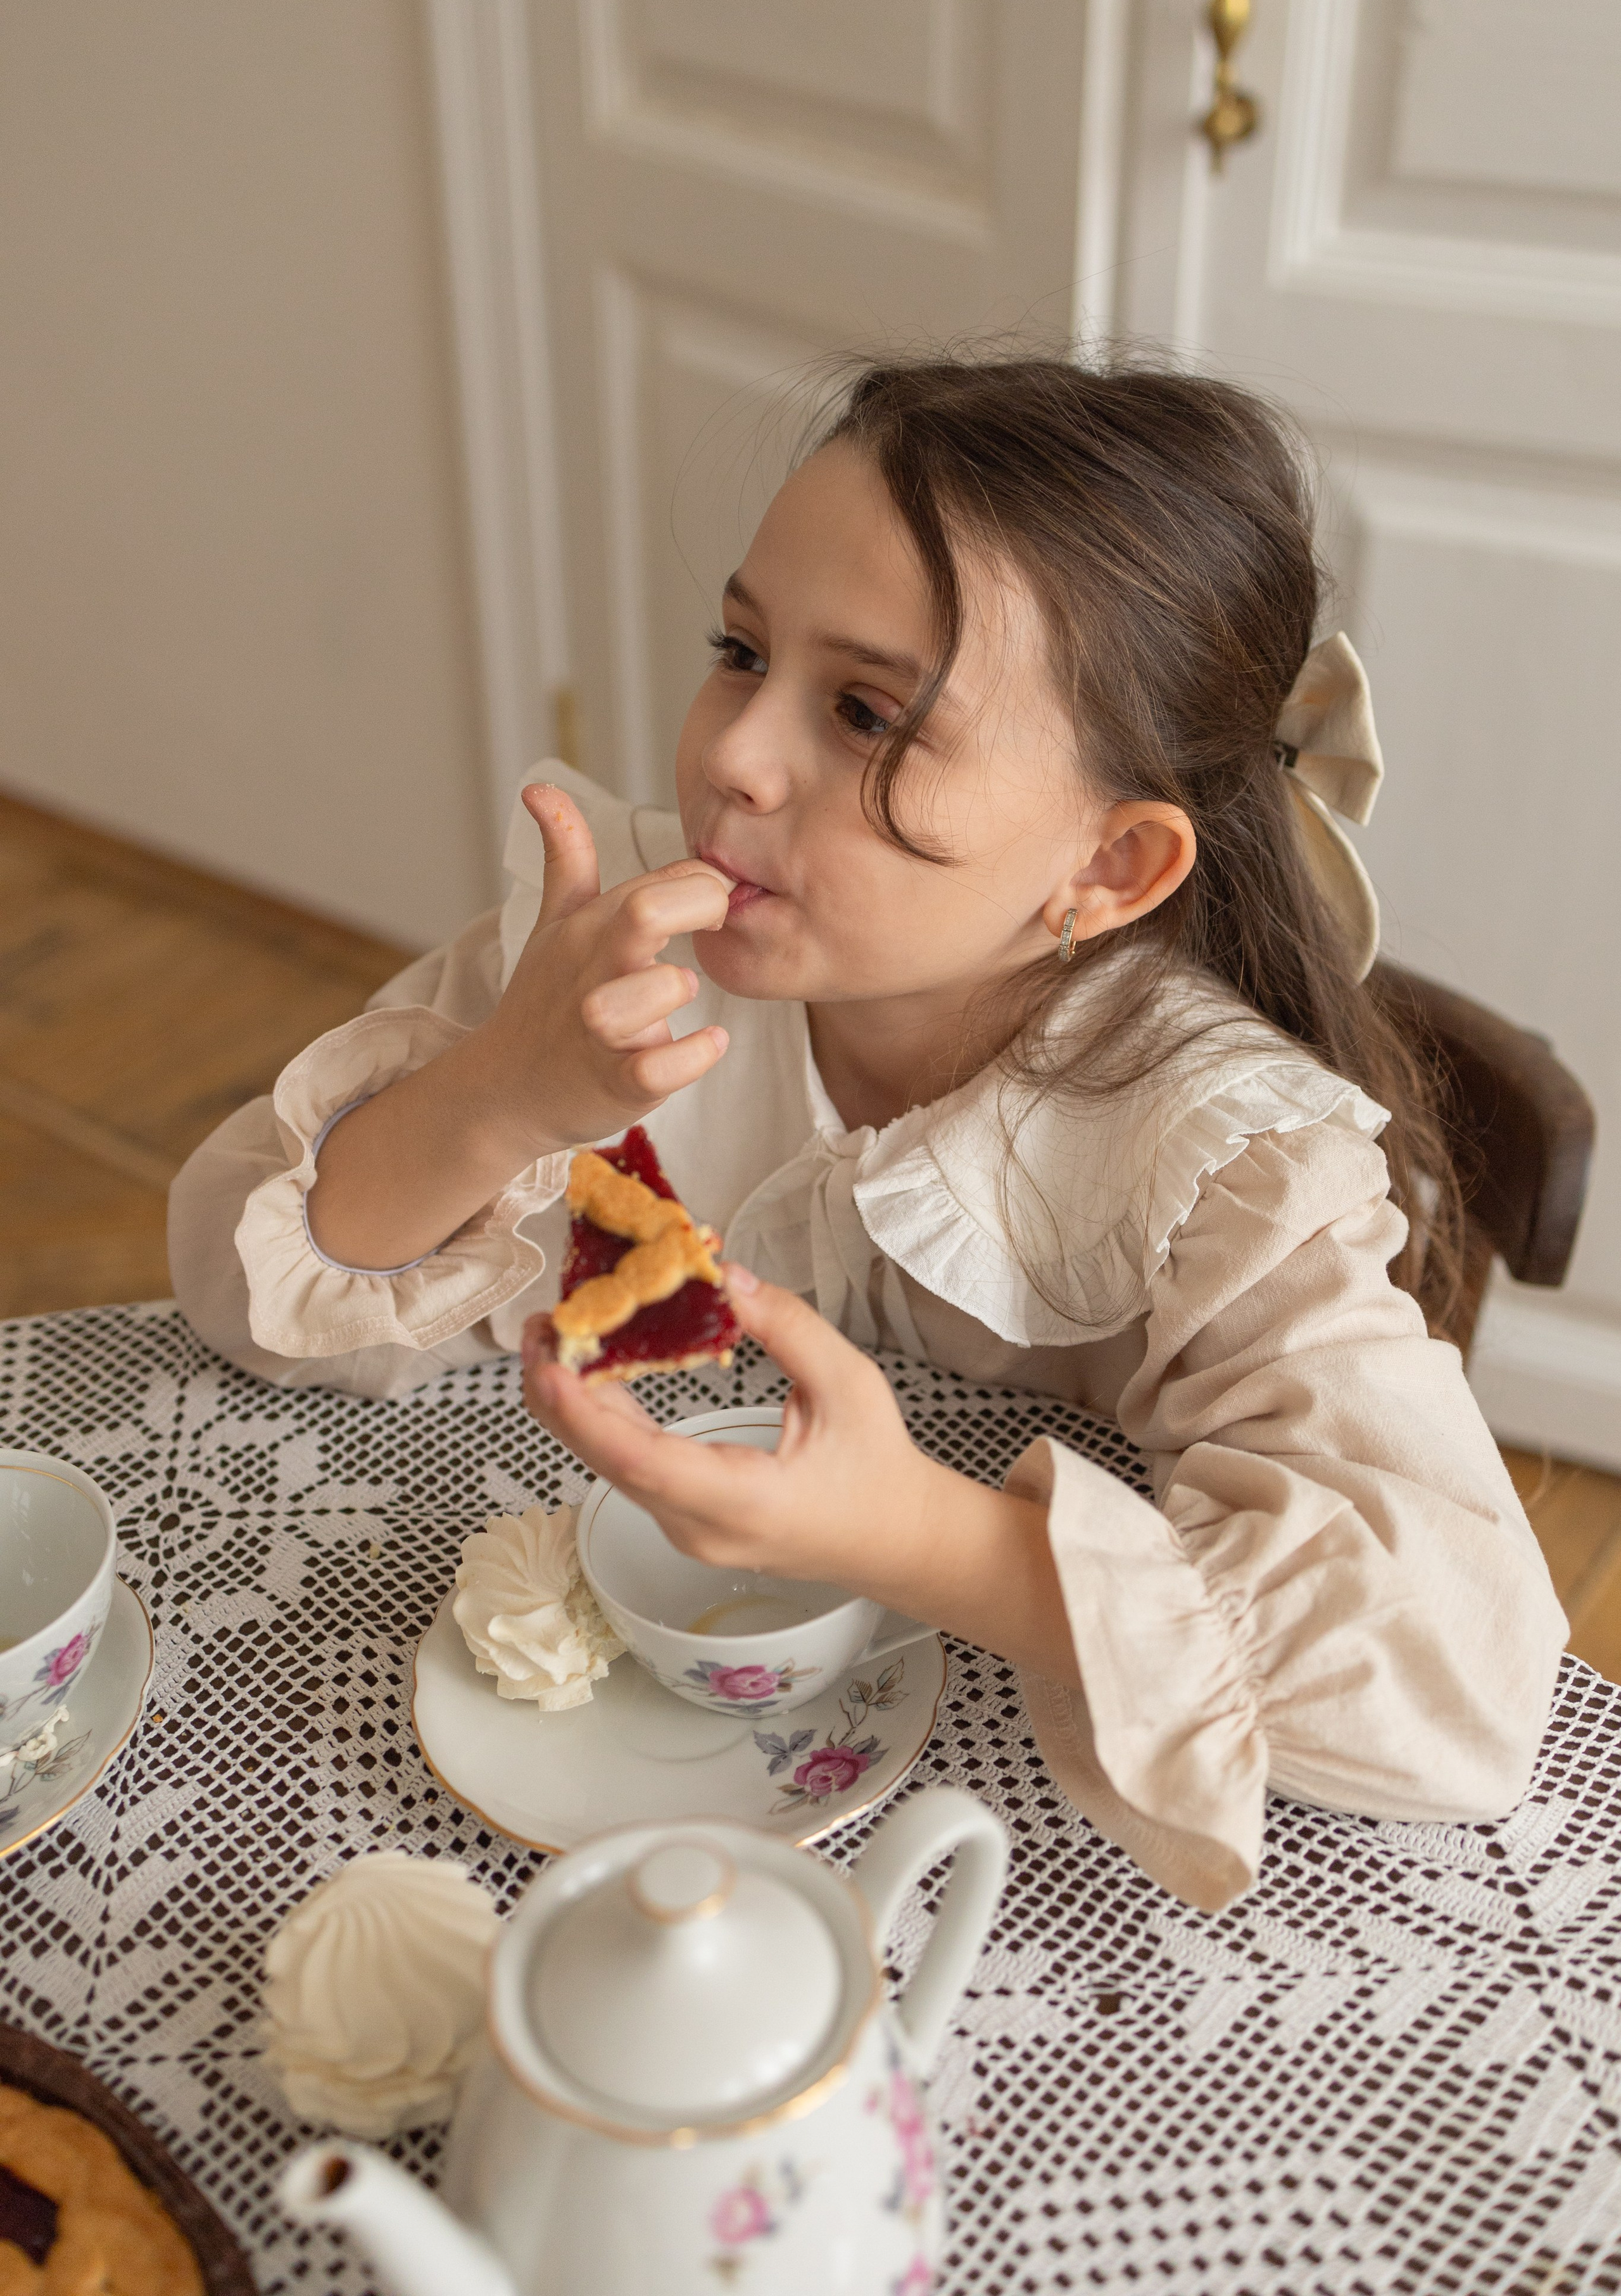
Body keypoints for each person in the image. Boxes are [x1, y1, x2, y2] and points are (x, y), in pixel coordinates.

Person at [169, 355, 1566, 1911]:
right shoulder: (599, 972)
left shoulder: (1215, 1159)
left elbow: (1461, 1684)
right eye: (737, 650)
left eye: (860, 713)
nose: (731, 759)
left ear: (1105, 866)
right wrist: (500, 1093)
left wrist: (924, 1539)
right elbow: (246, 1299)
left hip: (979, 1865)